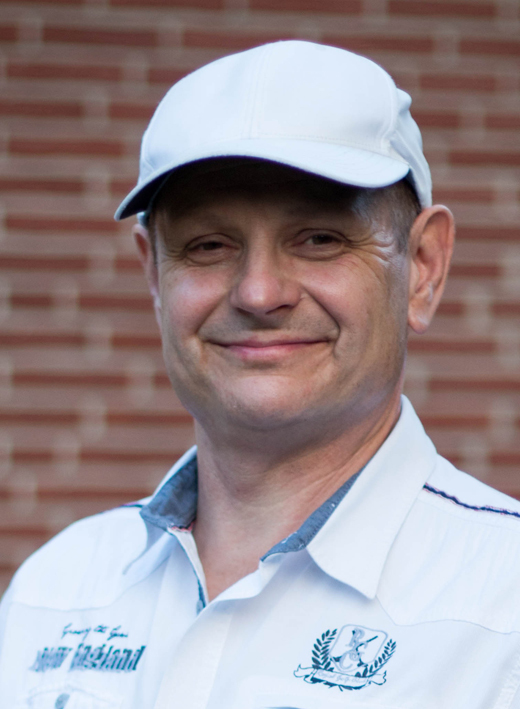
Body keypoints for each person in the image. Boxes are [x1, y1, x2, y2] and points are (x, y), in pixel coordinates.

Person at [1, 39, 520, 709]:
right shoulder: (53, 593)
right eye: (208, 245)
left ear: (422, 268)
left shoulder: (504, 606)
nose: (258, 292)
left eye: (320, 239)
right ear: (154, 273)